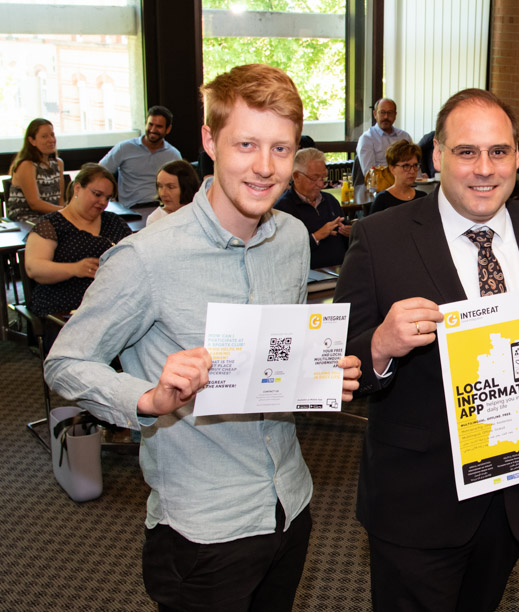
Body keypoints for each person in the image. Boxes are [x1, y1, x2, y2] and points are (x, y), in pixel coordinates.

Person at [44, 64, 362, 612]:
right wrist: (148, 399)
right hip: (203, 529)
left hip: (291, 501)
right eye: (246, 144)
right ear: (210, 141)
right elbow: (65, 361)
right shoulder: (147, 257)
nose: (265, 168)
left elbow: (272, 361)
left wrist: (317, 374)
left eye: (281, 149)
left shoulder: (291, 239)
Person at [334, 88, 519, 611]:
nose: (484, 169)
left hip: (517, 497)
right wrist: (382, 346)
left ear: (517, 157)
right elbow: (337, 364)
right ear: (437, 156)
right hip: (417, 501)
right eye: (466, 152)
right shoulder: (379, 238)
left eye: (498, 152)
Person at [24, 163, 131, 346]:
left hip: (110, 304)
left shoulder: (113, 222)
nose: (102, 203)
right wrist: (75, 269)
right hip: (63, 308)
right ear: (77, 188)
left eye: (107, 198)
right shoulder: (51, 225)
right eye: (97, 194)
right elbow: (34, 268)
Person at [275, 147, 350, 268]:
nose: (320, 184)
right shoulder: (282, 209)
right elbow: (283, 254)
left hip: (339, 272)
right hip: (309, 278)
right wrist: (316, 237)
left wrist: (350, 233)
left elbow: (346, 241)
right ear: (296, 176)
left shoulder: (330, 200)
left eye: (323, 178)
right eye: (314, 179)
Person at [99, 105, 182, 208]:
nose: (153, 129)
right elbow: (100, 171)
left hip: (162, 208)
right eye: (150, 124)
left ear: (168, 129)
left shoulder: (173, 154)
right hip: (131, 209)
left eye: (159, 126)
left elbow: (183, 185)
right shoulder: (124, 148)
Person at [6, 118, 65, 222]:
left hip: (50, 217)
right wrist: (66, 212)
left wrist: (66, 215)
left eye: (52, 135)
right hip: (25, 219)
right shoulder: (26, 165)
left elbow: (60, 200)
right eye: (44, 136)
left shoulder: (58, 163)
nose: (51, 139)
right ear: (32, 141)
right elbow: (35, 204)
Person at [354, 98, 412, 202]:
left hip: (406, 188)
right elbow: (370, 175)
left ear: (395, 115)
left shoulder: (404, 137)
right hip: (380, 193)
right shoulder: (367, 139)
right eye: (382, 113)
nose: (386, 117)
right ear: (375, 114)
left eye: (390, 113)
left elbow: (413, 165)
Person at [369, 140, 427, 214]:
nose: (412, 171)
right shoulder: (382, 199)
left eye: (415, 165)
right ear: (392, 169)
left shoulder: (422, 197)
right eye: (406, 166)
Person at [146, 160, 201, 226]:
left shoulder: (202, 212)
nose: (163, 193)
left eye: (170, 187)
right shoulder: (155, 219)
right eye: (160, 186)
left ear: (186, 187)